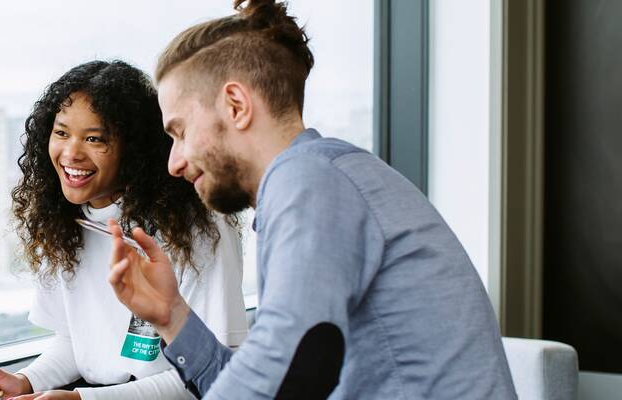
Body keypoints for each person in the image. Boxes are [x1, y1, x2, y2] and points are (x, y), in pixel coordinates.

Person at [106, 0, 516, 398]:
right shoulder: (322, 179)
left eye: (179, 132)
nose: (174, 163)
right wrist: (171, 314)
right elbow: (282, 378)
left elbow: (288, 367)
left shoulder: (308, 180)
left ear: (236, 105)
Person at [0, 60, 248, 400]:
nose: (71, 153)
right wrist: (26, 381)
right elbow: (75, 341)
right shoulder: (62, 224)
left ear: (135, 149)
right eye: (62, 133)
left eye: (94, 138)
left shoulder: (197, 226)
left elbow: (213, 372)